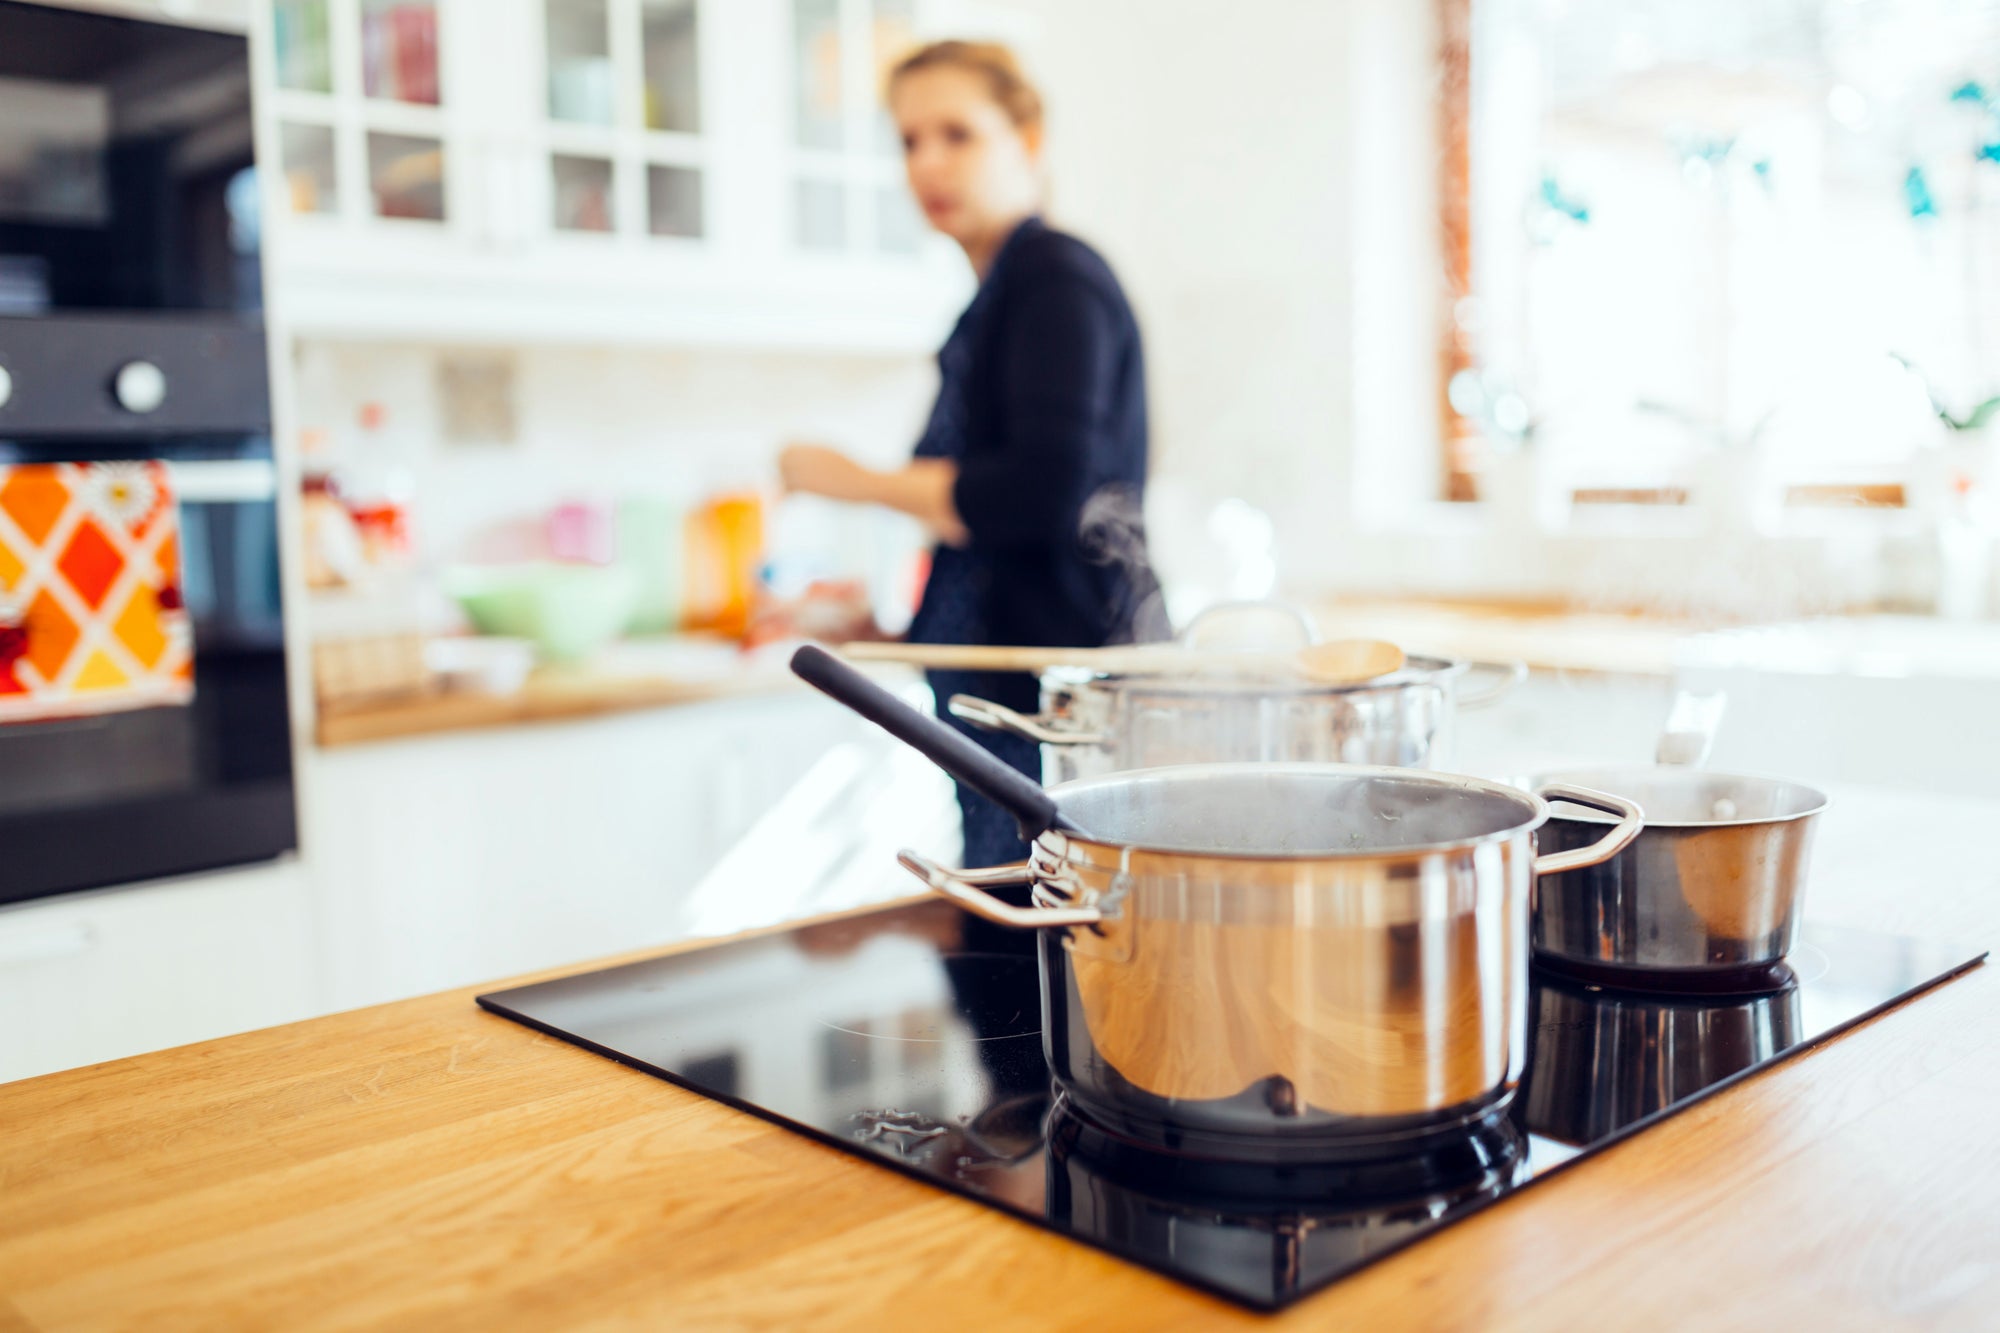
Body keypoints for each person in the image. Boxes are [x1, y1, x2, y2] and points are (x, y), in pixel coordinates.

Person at [780, 40, 1163, 872]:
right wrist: (892, 631)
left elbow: (1036, 494)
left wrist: (848, 480)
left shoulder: (1055, 279)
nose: (929, 164)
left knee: (1048, 948)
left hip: (1054, 712)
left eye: (958, 133)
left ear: (1028, 140)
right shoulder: (995, 302)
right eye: (910, 141)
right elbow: (987, 542)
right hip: (1002, 708)